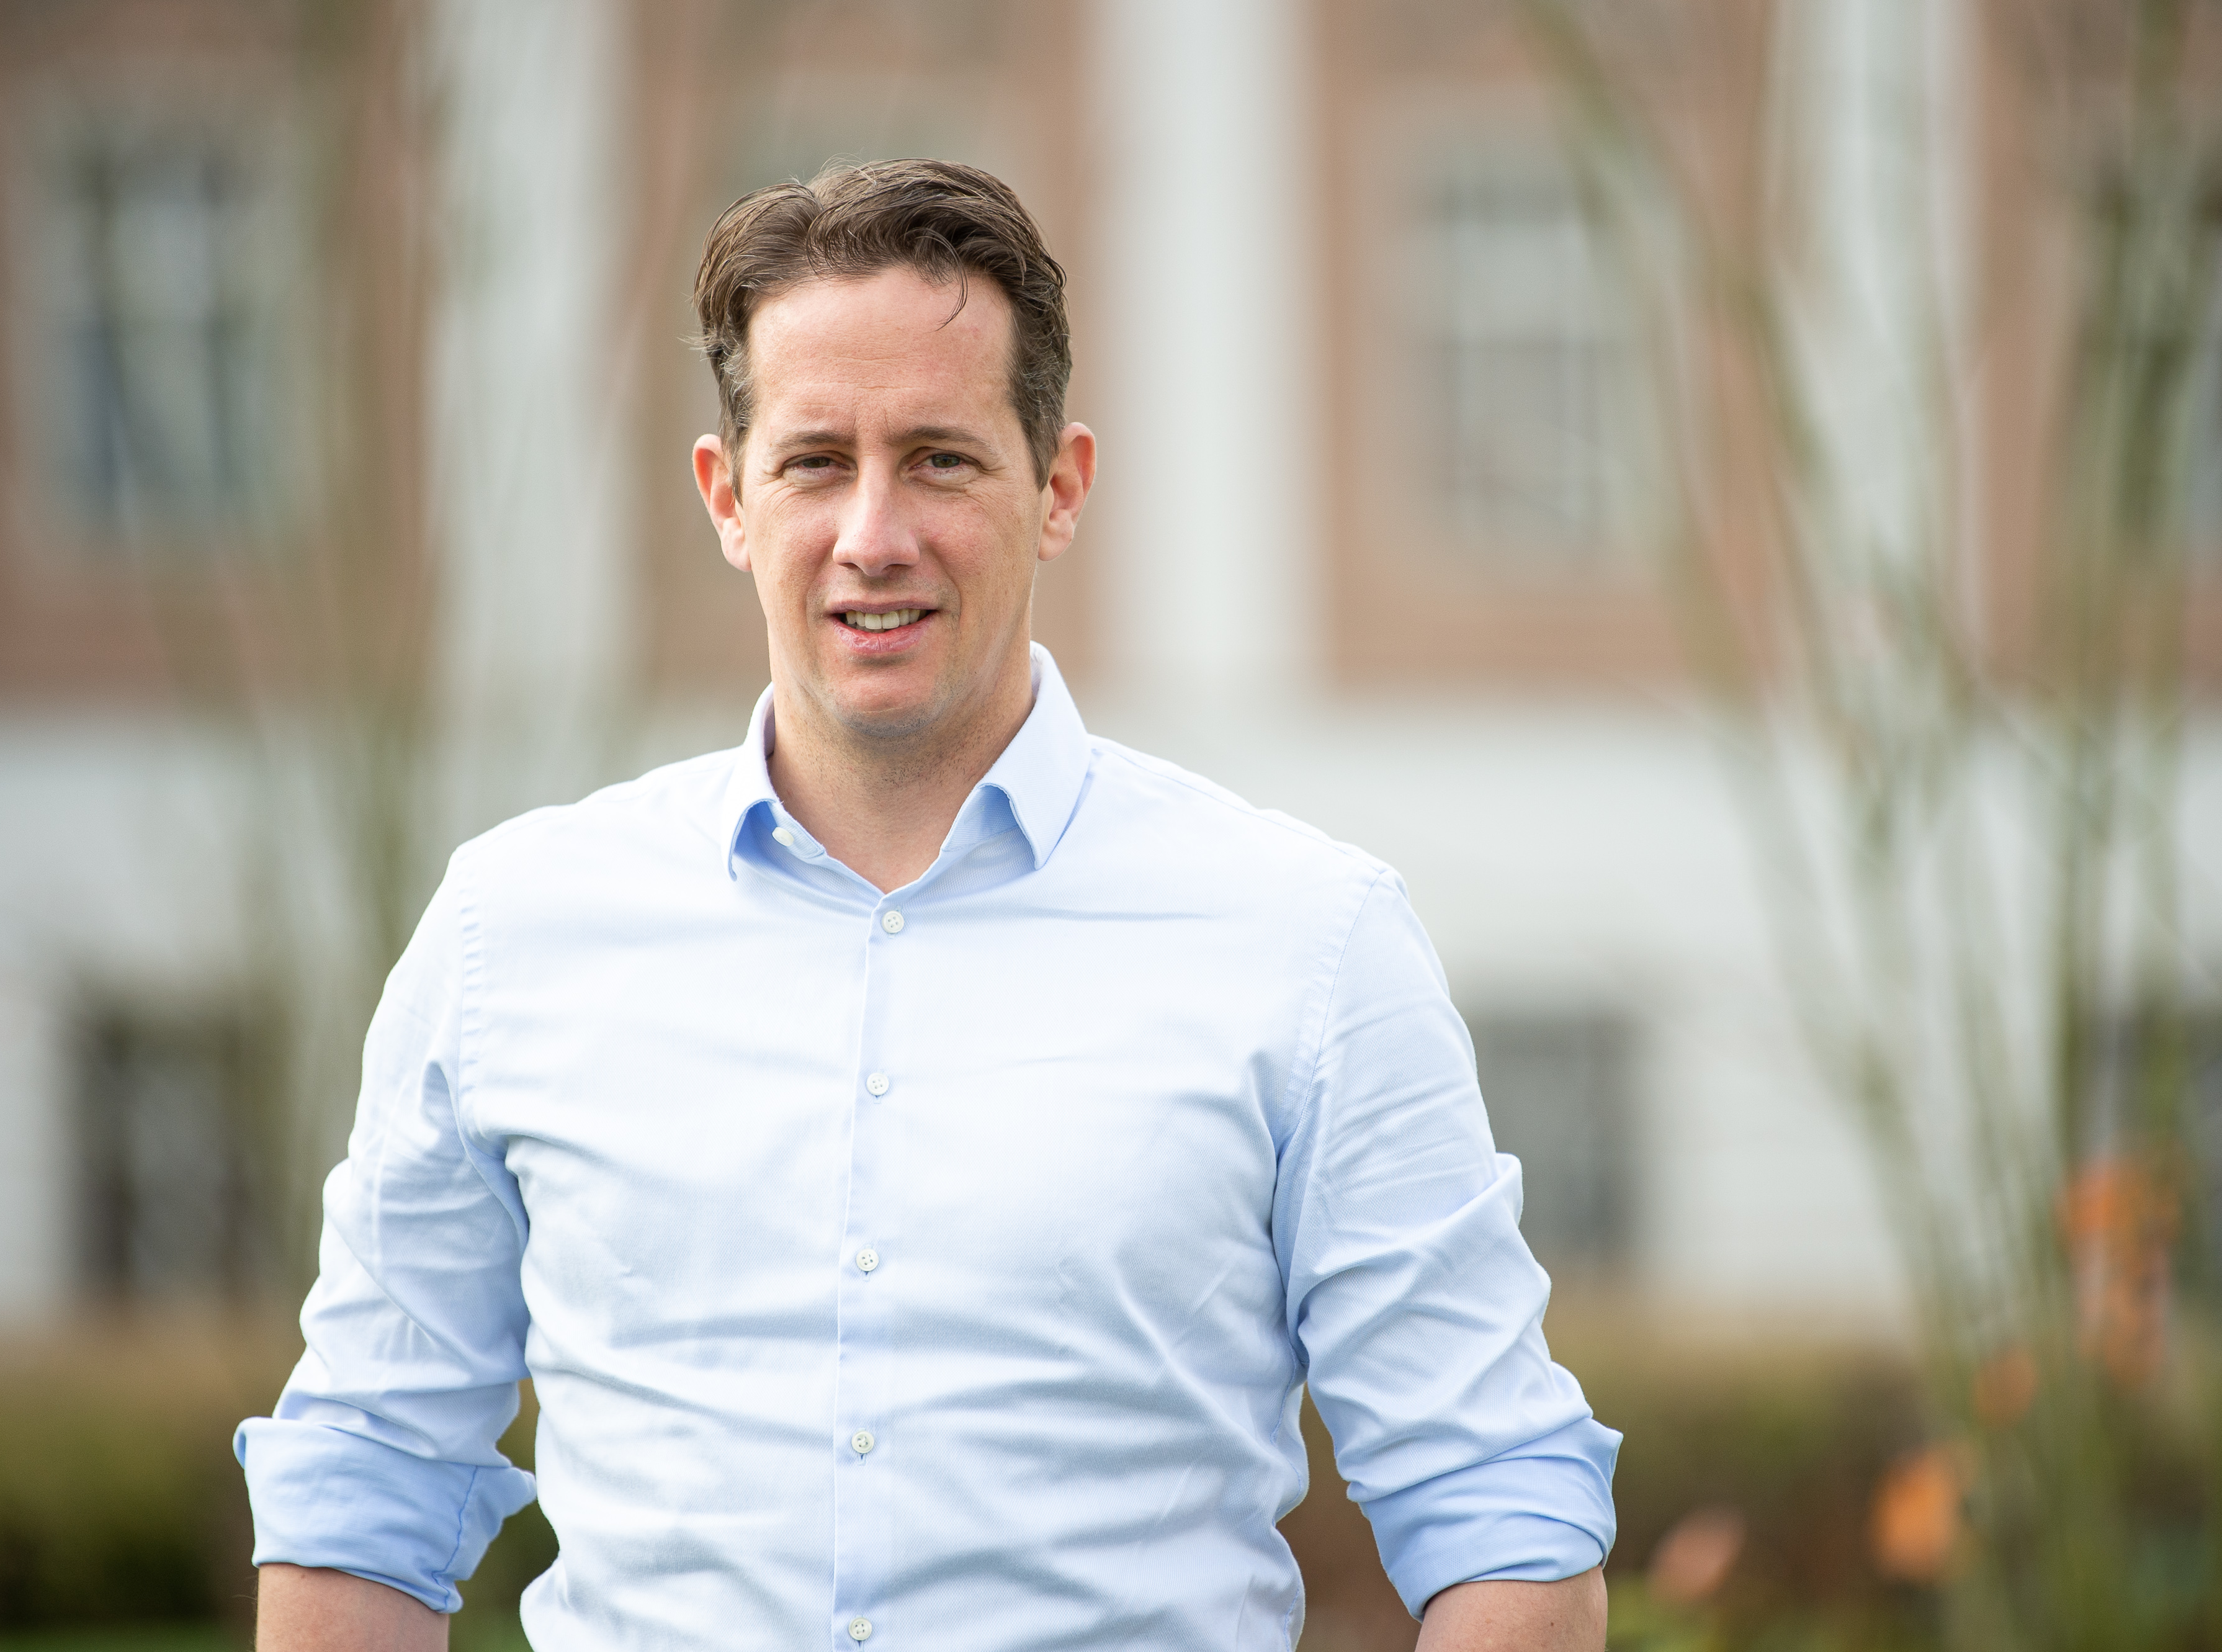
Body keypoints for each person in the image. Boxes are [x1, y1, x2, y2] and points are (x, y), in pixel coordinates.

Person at [239, 158, 1618, 1651]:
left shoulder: (1308, 944)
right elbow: (362, 1492)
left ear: (1058, 488)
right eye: (813, 461)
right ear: (726, 496)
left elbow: (1501, 1510)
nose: (871, 533)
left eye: (940, 460)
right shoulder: (510, 934)